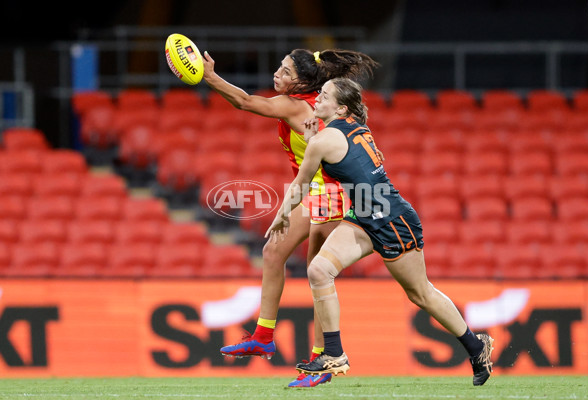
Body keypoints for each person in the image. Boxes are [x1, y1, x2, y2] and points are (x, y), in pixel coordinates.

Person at [266, 77, 495, 386]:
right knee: (319, 270)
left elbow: (302, 184)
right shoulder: (350, 129)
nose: (317, 98)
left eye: (324, 95)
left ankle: (476, 346)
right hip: (363, 215)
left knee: (421, 293)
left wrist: (281, 215)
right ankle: (334, 353)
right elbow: (339, 156)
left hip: (390, 220)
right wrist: (311, 138)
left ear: (341, 107)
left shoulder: (325, 139)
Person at [201, 49, 379, 387]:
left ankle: (316, 359)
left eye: (284, 71)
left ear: (301, 79)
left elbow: (245, 102)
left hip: (332, 193)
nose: (276, 75)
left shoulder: (296, 105)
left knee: (313, 272)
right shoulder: (310, 101)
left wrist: (209, 77)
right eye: (278, 68)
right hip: (319, 192)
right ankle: (271, 339)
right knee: (280, 257)